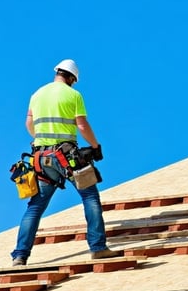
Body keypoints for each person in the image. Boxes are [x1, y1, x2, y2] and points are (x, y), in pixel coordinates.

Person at [11, 59, 116, 266]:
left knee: (35, 207)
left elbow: (29, 123)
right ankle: (98, 247)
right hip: (68, 157)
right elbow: (82, 125)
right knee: (90, 197)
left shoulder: (37, 94)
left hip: (41, 158)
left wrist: (40, 139)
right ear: (71, 78)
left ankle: (20, 256)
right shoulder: (73, 95)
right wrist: (95, 146)